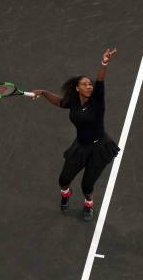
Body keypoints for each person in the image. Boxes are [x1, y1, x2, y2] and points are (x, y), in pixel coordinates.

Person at [31, 48, 120, 221]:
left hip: (99, 148)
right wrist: (42, 92)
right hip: (80, 147)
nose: (89, 86)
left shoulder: (97, 101)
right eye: (85, 84)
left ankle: (88, 204)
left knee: (87, 186)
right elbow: (59, 102)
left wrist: (104, 63)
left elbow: (100, 80)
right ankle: (66, 193)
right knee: (63, 180)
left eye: (90, 84)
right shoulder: (73, 102)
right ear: (77, 89)